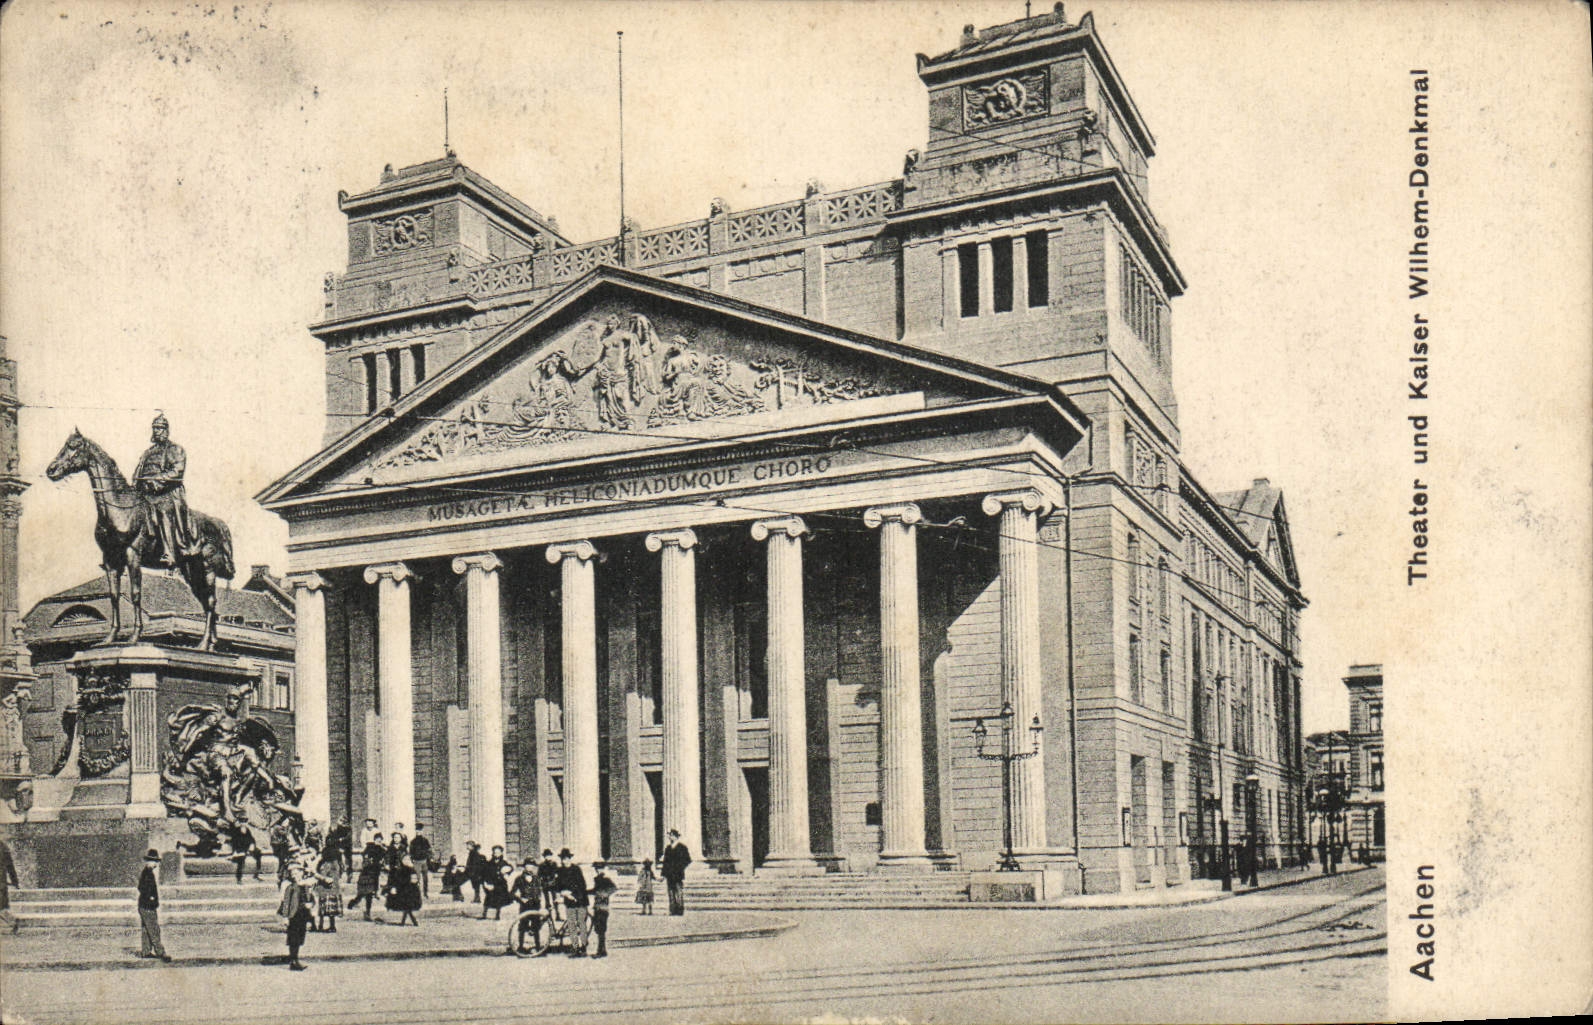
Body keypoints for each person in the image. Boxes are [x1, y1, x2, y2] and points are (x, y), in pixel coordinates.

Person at [132, 412, 196, 567]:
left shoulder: (175, 449)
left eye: (160, 428)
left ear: (166, 430)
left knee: (163, 511)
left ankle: (169, 553)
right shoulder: (147, 453)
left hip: (166, 492)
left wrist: (157, 479)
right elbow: (137, 473)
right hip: (145, 493)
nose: (156, 431)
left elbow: (177, 472)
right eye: (154, 428)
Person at [280, 849, 316, 970]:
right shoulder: (290, 887)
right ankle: (293, 960)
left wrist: (311, 904)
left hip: (303, 914)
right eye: (293, 873)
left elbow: (311, 898)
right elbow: (286, 903)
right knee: (293, 938)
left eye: (297, 873)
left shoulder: (305, 886)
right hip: (293, 915)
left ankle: (295, 958)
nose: (295, 875)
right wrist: (285, 917)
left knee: (300, 936)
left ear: (301, 873)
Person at [136, 848, 171, 962]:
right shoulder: (148, 873)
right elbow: (142, 888)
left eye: (156, 861)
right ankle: (161, 952)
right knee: (154, 929)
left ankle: (146, 951)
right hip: (147, 906)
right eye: (154, 861)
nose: (156, 863)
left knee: (146, 929)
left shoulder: (147, 872)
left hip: (144, 905)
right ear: (148, 862)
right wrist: (150, 898)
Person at [555, 849, 589, 957]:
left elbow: (582, 885)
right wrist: (562, 893)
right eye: (562, 859)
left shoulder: (576, 869)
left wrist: (572, 894)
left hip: (580, 900)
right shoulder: (560, 871)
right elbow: (558, 885)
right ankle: (574, 947)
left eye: (566, 859)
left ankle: (583, 947)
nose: (564, 861)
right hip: (569, 902)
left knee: (581, 924)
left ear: (570, 859)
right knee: (571, 925)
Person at [509, 858, 544, 951]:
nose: (530, 867)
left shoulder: (537, 878)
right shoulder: (519, 879)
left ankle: (538, 947)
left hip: (536, 905)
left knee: (536, 927)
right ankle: (520, 947)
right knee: (522, 927)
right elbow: (512, 893)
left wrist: (539, 897)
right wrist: (520, 899)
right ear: (524, 866)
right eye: (528, 865)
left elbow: (541, 889)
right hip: (524, 906)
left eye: (532, 865)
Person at [348, 833, 385, 920]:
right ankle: (352, 903)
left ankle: (367, 913)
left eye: (380, 840)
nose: (378, 842)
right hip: (366, 873)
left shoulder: (382, 849)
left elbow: (384, 859)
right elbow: (365, 858)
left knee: (369, 895)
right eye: (377, 840)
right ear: (374, 840)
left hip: (375, 873)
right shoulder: (369, 847)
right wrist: (369, 861)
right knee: (362, 893)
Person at [385, 854, 423, 926]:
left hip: (410, 890)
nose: (406, 861)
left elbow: (414, 881)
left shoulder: (412, 870)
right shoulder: (399, 869)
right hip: (402, 890)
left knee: (407, 906)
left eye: (408, 860)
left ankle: (407, 922)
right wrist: (394, 887)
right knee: (406, 906)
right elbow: (395, 879)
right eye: (404, 859)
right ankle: (412, 921)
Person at [661, 828, 692, 916]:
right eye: (669, 836)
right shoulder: (668, 848)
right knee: (670, 892)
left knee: (678, 891)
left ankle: (680, 909)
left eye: (671, 835)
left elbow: (688, 860)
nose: (670, 837)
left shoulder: (682, 847)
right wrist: (663, 874)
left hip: (678, 873)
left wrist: (680, 868)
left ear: (675, 836)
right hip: (669, 874)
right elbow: (665, 862)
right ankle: (672, 909)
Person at [589, 861, 617, 958]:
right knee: (598, 929)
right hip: (597, 907)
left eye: (600, 868)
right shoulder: (597, 879)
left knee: (601, 929)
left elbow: (613, 888)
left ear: (603, 869)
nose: (598, 870)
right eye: (597, 868)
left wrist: (605, 894)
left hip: (603, 907)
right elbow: (595, 891)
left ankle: (600, 951)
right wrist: (586, 892)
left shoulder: (606, 879)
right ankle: (602, 950)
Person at [312, 848, 343, 933]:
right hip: (335, 889)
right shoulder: (337, 864)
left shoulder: (327, 864)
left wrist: (317, 875)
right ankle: (332, 925)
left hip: (326, 889)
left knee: (323, 910)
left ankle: (321, 925)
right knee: (331, 912)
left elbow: (323, 875)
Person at [480, 848, 513, 920]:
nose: (496, 854)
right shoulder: (489, 863)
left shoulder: (504, 863)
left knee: (499, 900)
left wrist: (508, 871)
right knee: (488, 900)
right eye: (495, 852)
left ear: (501, 853)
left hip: (501, 885)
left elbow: (510, 868)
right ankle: (484, 914)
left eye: (498, 852)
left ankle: (497, 915)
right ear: (493, 853)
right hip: (491, 884)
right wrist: (486, 883)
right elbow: (485, 873)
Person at [537, 848, 563, 923]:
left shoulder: (554, 864)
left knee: (555, 900)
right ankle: (548, 917)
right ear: (544, 857)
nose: (548, 857)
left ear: (551, 856)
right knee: (547, 901)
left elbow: (557, 874)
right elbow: (539, 875)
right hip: (545, 884)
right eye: (546, 856)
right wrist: (541, 883)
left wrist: (555, 881)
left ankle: (558, 916)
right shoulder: (541, 865)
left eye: (549, 856)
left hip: (553, 884)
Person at [408, 823, 433, 900]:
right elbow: (411, 852)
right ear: (415, 831)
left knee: (425, 878)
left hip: (424, 861)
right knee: (417, 878)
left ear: (422, 831)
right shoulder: (413, 841)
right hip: (416, 862)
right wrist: (412, 860)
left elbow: (429, 850)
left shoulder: (425, 841)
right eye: (417, 830)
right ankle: (417, 894)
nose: (418, 832)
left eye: (420, 830)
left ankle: (425, 893)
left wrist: (429, 858)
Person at [0, 837, 19, 934]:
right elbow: (10, 867)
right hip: (2, 883)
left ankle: (13, 921)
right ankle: (13, 922)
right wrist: (15, 881)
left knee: (1, 908)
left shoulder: (3, 847)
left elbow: (10, 867)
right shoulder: (3, 847)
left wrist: (14, 881)